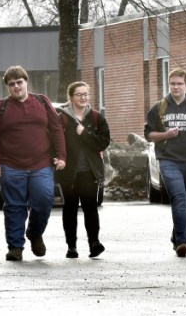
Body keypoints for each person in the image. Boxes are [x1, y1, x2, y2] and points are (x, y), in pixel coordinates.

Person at [0, 66, 66, 261]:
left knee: (45, 200)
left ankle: (35, 233)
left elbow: (56, 129)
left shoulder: (42, 102)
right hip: (10, 165)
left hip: (41, 164)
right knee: (14, 206)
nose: (16, 87)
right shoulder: (0, 108)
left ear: (26, 82)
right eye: (11, 84)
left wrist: (61, 155)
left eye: (19, 82)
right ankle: (15, 247)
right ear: (7, 87)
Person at [144, 68, 186, 257]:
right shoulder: (159, 107)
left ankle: (176, 236)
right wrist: (166, 135)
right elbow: (149, 135)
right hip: (168, 160)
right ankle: (182, 242)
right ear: (168, 85)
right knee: (179, 198)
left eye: (179, 83)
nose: (176, 87)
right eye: (172, 83)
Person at [56, 81, 111, 259]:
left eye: (86, 94)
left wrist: (84, 133)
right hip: (68, 172)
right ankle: (71, 246)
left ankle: (94, 243)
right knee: (70, 208)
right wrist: (56, 158)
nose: (83, 98)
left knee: (90, 207)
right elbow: (52, 141)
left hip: (89, 171)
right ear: (70, 97)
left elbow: (104, 142)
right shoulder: (62, 118)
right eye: (79, 94)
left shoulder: (95, 117)